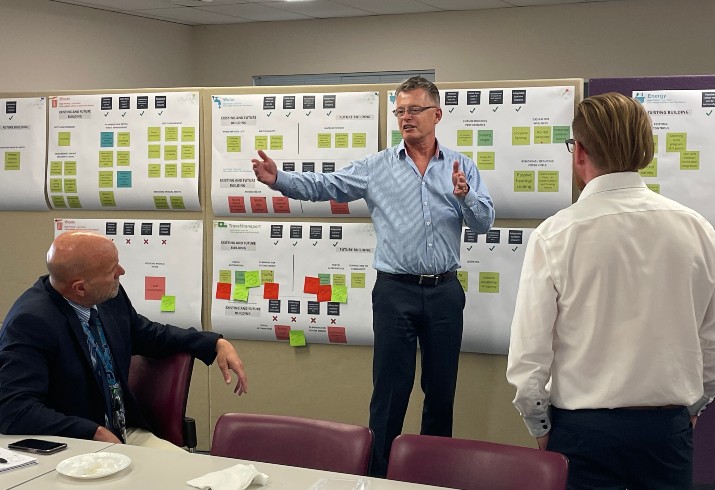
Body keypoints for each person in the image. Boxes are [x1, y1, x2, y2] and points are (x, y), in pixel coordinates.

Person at [252, 76, 495, 476]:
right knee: (389, 394)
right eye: (400, 111)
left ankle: (431, 476)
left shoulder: (461, 166)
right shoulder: (377, 167)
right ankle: (379, 478)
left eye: (414, 110)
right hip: (395, 293)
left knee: (441, 393)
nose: (406, 118)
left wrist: (465, 195)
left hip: (444, 292)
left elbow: (484, 223)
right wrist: (280, 180)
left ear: (437, 114)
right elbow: (325, 185)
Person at [506, 92, 715, 489]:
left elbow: (529, 355)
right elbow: (712, 340)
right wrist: (695, 406)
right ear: (646, 149)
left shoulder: (556, 235)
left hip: (584, 434)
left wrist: (539, 426)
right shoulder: (698, 230)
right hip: (666, 432)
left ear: (579, 152)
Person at [0, 231, 248, 449]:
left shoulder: (107, 298)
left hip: (125, 432)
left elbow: (148, 335)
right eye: (112, 270)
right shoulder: (30, 323)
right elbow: (14, 409)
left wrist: (214, 343)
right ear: (80, 288)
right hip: (72, 445)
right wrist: (91, 432)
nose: (122, 272)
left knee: (187, 478)